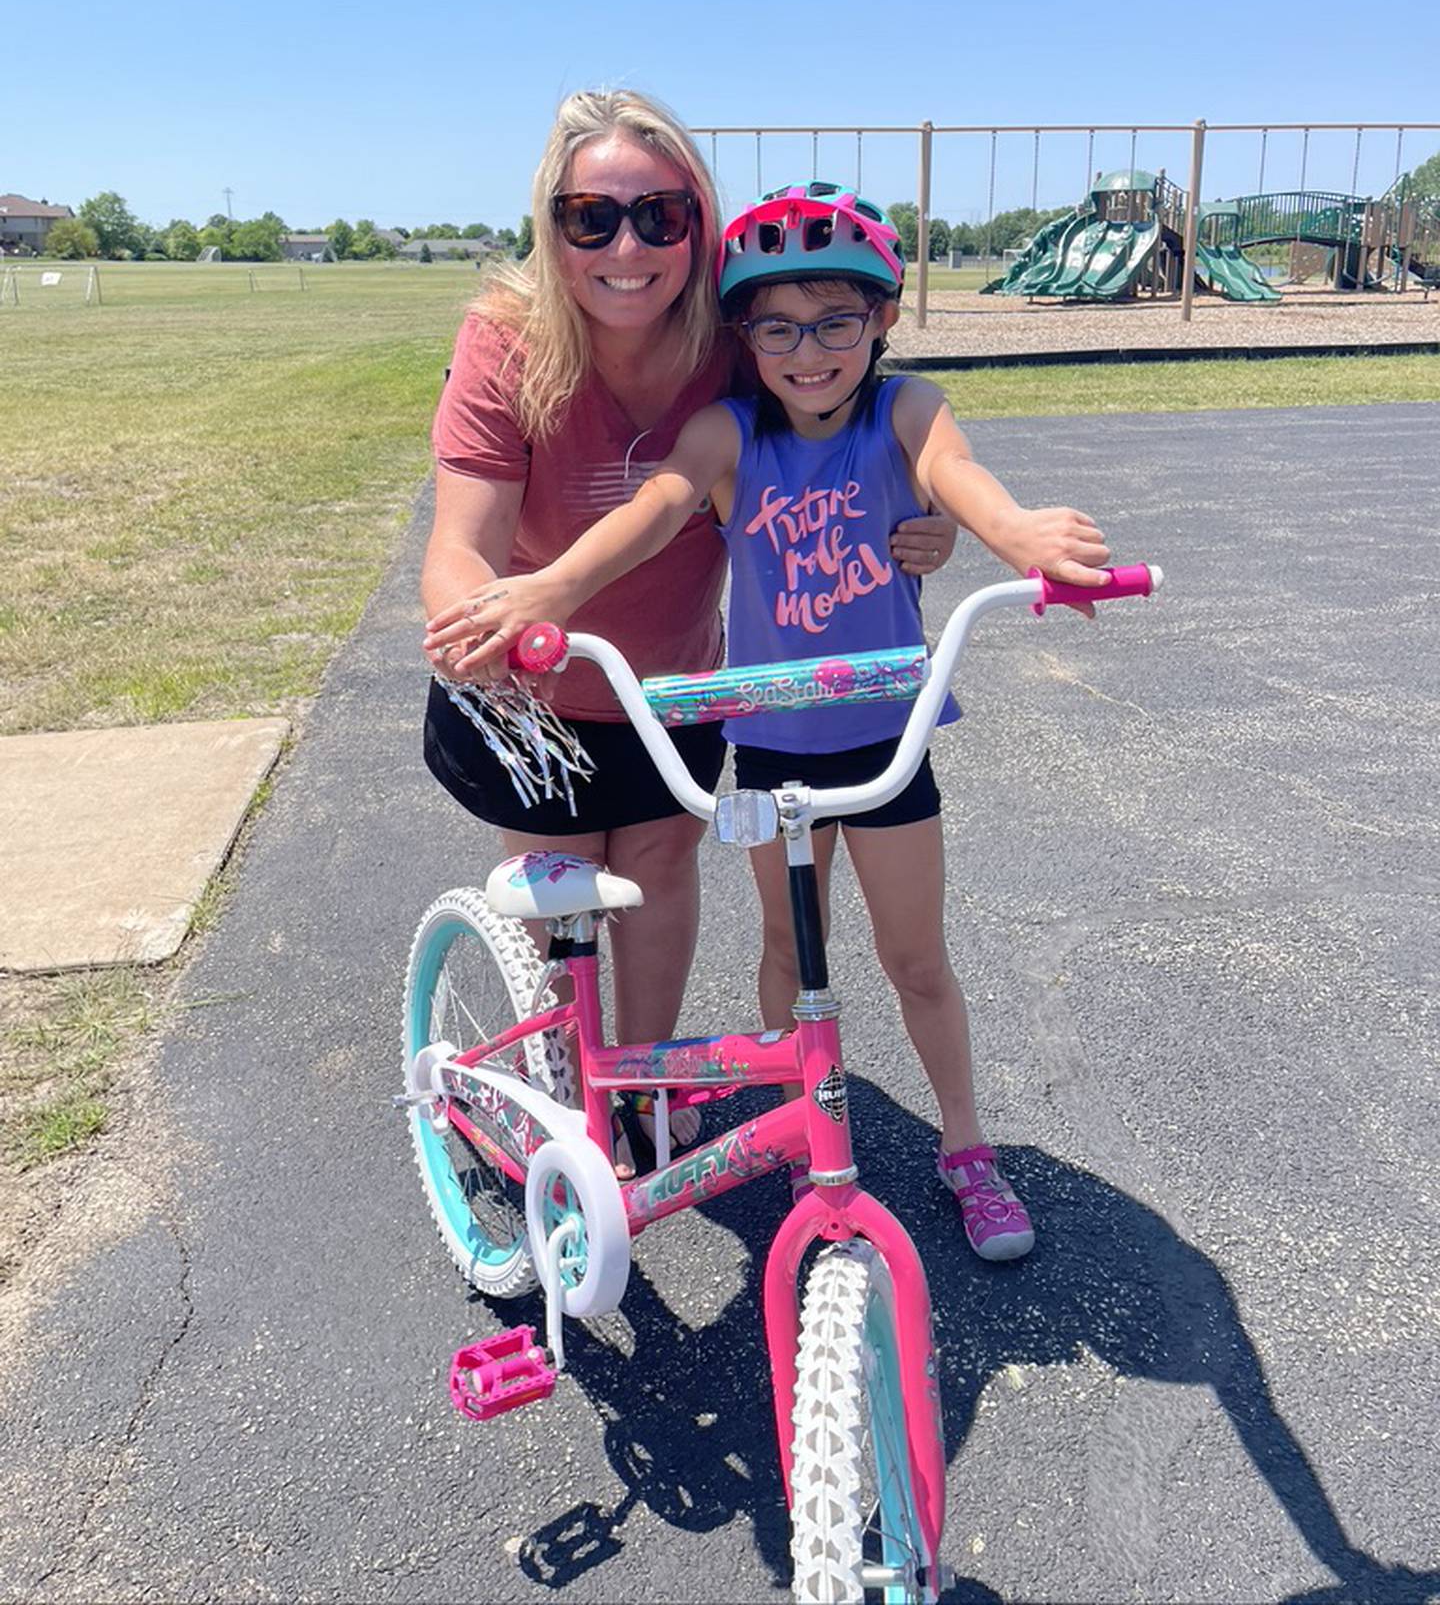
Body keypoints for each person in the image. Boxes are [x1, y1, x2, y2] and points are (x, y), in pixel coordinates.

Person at [433, 183, 1113, 1259]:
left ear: (883, 319)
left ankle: (968, 1149)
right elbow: (657, 508)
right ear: (742, 336)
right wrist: (551, 589)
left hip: (885, 741)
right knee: (789, 955)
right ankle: (809, 1123)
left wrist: (1016, 534)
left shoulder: (907, 410)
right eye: (779, 328)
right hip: (764, 748)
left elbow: (960, 476)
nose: (809, 353)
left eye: (837, 322)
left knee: (915, 959)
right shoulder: (726, 432)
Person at [420, 104, 955, 1166]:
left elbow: (833, 426)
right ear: (551, 225)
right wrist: (474, 618)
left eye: (660, 217)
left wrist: (910, 515)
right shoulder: (507, 342)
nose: (627, 248)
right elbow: (461, 542)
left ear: (699, 227)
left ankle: (641, 1090)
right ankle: (563, 1107)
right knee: (560, 894)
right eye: (591, 218)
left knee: (661, 871)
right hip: (540, 688)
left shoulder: (730, 344)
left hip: (671, 688)